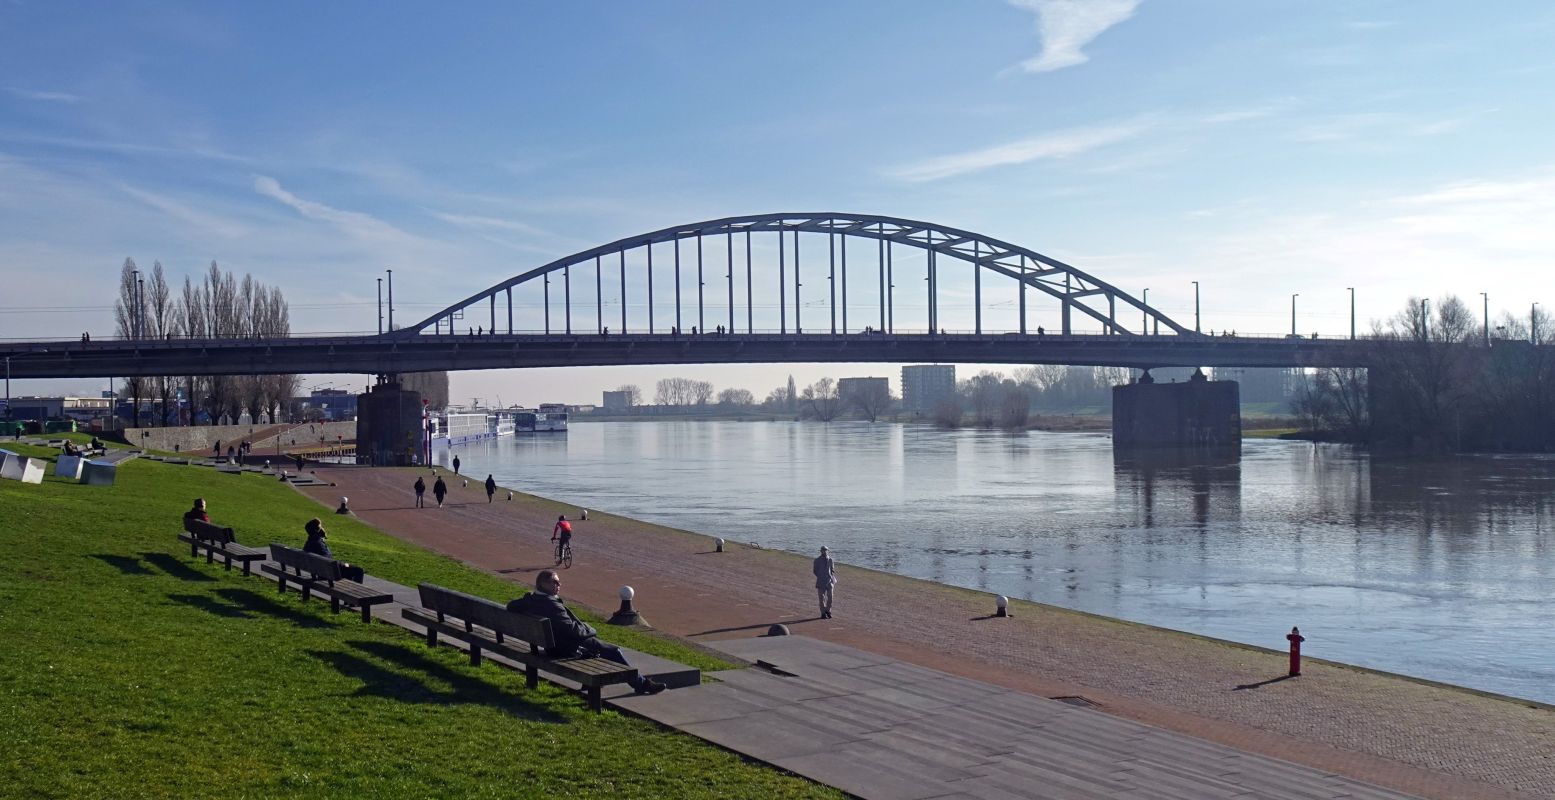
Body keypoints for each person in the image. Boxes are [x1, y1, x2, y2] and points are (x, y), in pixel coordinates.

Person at [507, 570, 665, 695]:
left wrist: (528, 598)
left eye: (559, 581)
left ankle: (634, 683)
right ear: (543, 584)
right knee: (613, 651)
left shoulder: (533, 600)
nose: (559, 584)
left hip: (554, 644)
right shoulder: (551, 604)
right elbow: (573, 631)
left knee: (602, 651)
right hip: (566, 648)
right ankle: (642, 684)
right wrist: (590, 629)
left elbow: (511, 606)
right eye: (554, 582)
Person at [813, 546, 836, 619]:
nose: (825, 551)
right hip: (821, 581)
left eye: (826, 550)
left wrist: (831, 575)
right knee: (821, 598)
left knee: (830, 598)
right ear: (821, 551)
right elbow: (815, 571)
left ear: (828, 551)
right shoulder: (817, 560)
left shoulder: (830, 560)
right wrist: (820, 576)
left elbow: (832, 570)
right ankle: (823, 613)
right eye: (823, 550)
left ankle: (828, 611)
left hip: (829, 581)